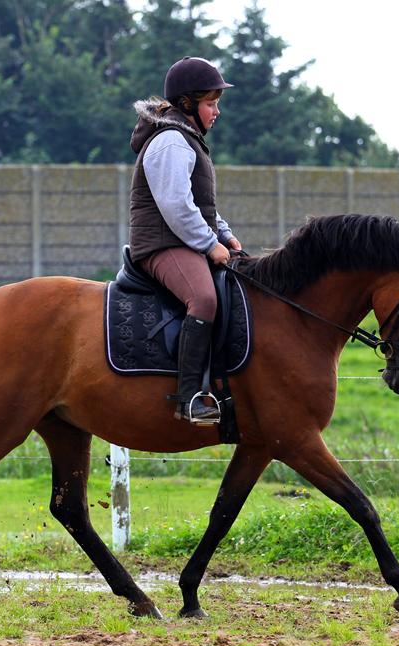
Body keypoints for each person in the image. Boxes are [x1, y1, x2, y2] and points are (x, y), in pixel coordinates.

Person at [128, 56, 242, 425]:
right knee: (204, 298)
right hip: (162, 245)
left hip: (182, 240)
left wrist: (223, 233)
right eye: (212, 103)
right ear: (188, 104)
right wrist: (210, 244)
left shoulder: (186, 139)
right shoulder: (171, 142)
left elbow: (198, 204)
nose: (217, 112)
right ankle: (190, 397)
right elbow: (176, 205)